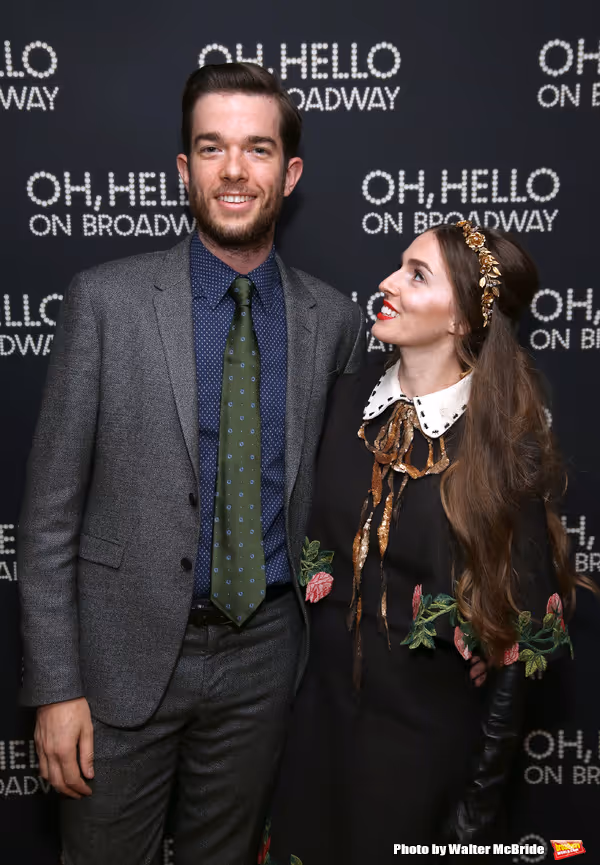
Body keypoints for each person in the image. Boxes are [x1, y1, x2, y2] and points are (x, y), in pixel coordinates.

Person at [17, 63, 366, 865]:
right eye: (212, 148)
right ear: (184, 168)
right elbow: (47, 518)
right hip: (118, 661)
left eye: (257, 149)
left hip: (265, 657)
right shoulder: (105, 302)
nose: (235, 171)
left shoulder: (333, 321)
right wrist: (56, 687)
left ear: (290, 171)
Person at [262, 222, 580, 865]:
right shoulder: (338, 403)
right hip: (311, 740)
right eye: (398, 265)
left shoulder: (503, 449)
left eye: (417, 275)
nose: (387, 283)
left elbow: (521, 654)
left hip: (422, 757)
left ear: (463, 319)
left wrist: (474, 818)